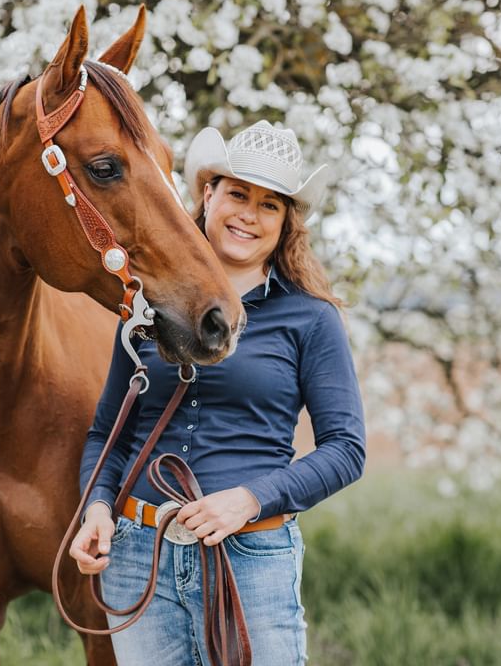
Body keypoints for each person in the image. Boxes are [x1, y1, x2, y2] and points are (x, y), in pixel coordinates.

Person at [69, 120, 366, 666]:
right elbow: (106, 434)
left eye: (270, 205)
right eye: (237, 193)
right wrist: (97, 509)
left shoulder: (310, 318)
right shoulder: (141, 307)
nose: (248, 215)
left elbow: (346, 451)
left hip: (251, 554)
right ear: (208, 195)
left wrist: (248, 500)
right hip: (140, 553)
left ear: (286, 223)